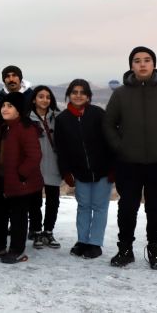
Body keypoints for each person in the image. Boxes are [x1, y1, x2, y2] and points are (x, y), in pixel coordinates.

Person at [104, 46, 157, 269]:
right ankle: (125, 250)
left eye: (147, 60)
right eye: (137, 60)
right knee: (127, 208)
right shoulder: (120, 93)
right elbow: (108, 124)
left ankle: (155, 251)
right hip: (128, 163)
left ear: (154, 64)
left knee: (156, 209)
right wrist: (120, 146)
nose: (142, 64)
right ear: (131, 65)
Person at [55, 79, 115, 260]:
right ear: (69, 95)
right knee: (83, 207)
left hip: (103, 171)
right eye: (74, 92)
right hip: (80, 172)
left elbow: (111, 141)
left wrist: (114, 167)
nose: (78, 95)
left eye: (82, 92)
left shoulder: (98, 114)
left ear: (88, 96)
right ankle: (82, 241)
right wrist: (66, 171)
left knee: (99, 207)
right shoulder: (62, 119)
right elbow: (61, 148)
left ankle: (95, 243)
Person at [0, 92, 43, 264]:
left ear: (19, 109)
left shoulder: (25, 127)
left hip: (21, 182)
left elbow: (34, 156)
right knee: (9, 215)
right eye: (3, 106)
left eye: (10, 106)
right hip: (7, 180)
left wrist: (21, 174)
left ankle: (17, 250)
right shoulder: (6, 127)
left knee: (18, 217)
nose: (5, 109)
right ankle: (4, 247)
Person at [27, 85, 62, 249]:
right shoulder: (27, 119)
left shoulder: (57, 117)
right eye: (41, 96)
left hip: (54, 165)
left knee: (53, 201)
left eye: (48, 97)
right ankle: (35, 231)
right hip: (35, 167)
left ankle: (49, 231)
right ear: (34, 99)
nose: (45, 100)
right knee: (34, 202)